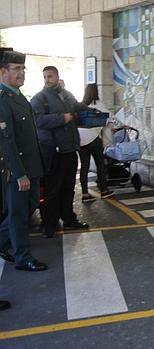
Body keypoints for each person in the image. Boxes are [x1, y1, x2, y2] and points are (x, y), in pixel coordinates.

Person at [0, 49, 48, 271]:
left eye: (23, 69)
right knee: (18, 215)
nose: (22, 73)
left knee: (28, 207)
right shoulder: (3, 100)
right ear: (3, 72)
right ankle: (23, 257)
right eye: (16, 69)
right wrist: (19, 174)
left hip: (32, 166)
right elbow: (7, 142)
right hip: (18, 170)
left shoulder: (18, 97)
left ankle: (2, 242)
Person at [31, 66, 89, 238]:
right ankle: (49, 223)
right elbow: (38, 120)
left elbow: (77, 106)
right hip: (52, 152)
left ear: (57, 77)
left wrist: (92, 111)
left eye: (50, 76)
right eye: (44, 77)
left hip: (70, 149)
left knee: (68, 187)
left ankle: (69, 219)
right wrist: (62, 118)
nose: (47, 79)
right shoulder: (39, 98)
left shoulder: (66, 95)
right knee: (52, 190)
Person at [78, 83, 114, 202]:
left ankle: (85, 194)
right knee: (100, 165)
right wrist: (118, 126)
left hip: (81, 140)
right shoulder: (97, 104)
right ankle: (104, 191)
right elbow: (109, 118)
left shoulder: (81, 105)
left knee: (84, 167)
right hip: (93, 139)